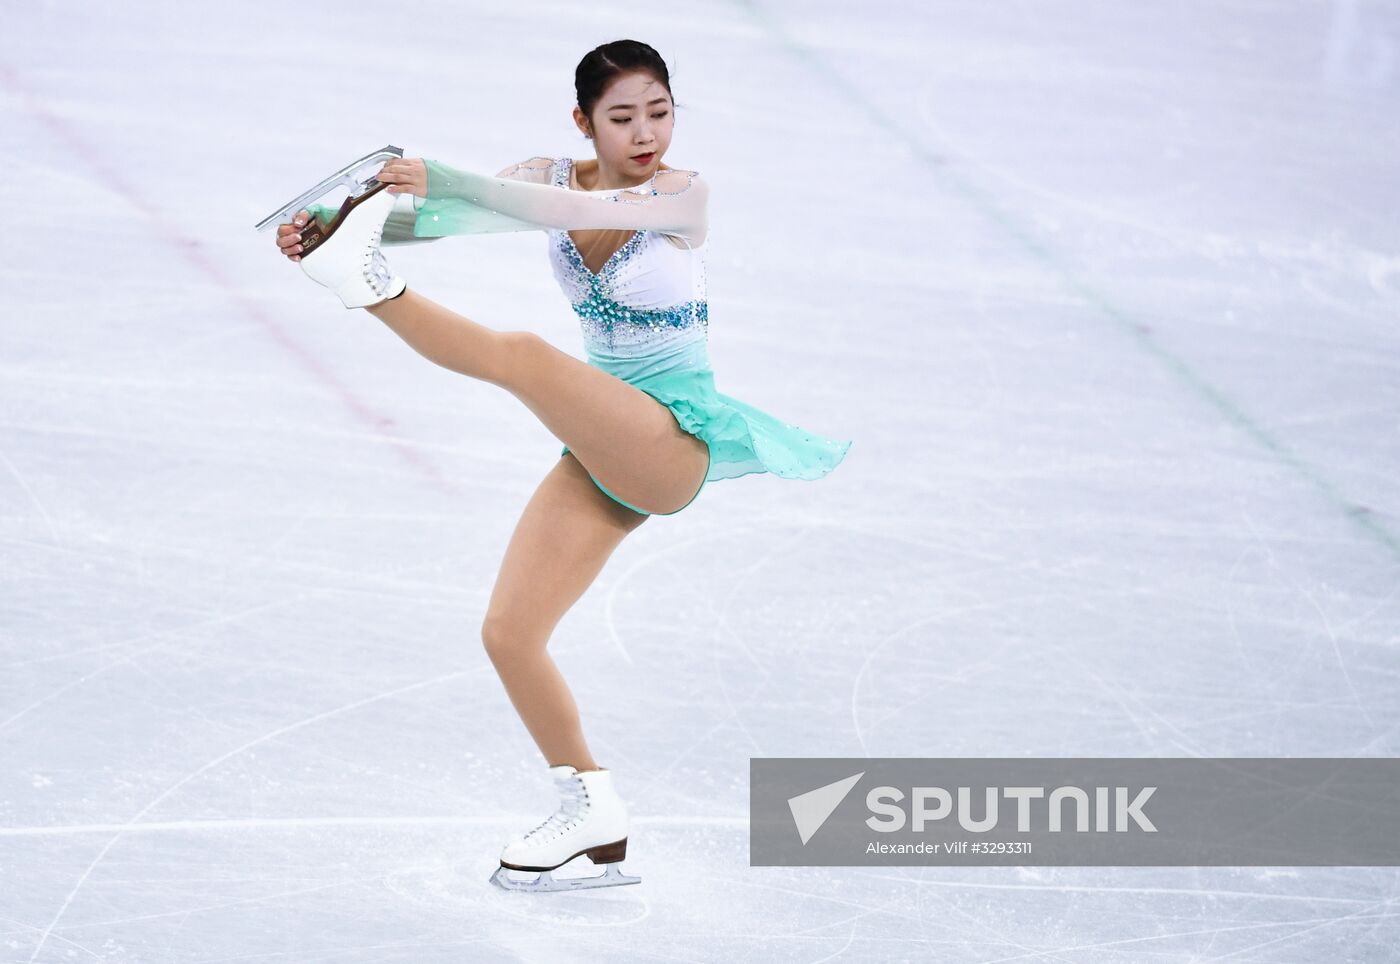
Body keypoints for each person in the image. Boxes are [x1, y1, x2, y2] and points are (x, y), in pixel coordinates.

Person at [272, 39, 852, 891]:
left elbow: (542, 213)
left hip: (671, 437)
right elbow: (441, 218)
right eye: (622, 117)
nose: (646, 131)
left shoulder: (681, 195)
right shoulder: (549, 176)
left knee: (526, 355)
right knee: (509, 633)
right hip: (602, 438)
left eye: (660, 111)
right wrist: (326, 228)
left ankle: (366, 291)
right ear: (583, 121)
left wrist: (452, 181)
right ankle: (592, 808)